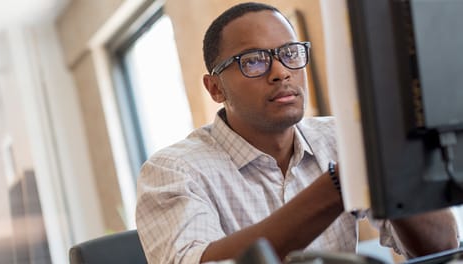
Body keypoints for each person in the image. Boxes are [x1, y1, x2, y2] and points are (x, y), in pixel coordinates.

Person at [135, 2, 459, 263]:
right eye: (254, 61)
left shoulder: (341, 138)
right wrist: (337, 185)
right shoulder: (173, 171)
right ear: (215, 87)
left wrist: (396, 161)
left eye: (290, 54)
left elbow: (443, 249)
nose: (280, 72)